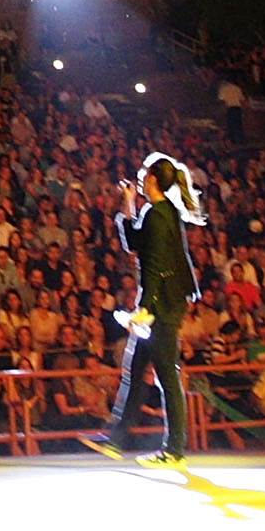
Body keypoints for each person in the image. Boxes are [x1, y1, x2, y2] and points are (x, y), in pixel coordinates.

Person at [90, 151, 202, 465]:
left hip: (161, 307)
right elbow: (136, 243)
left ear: (152, 178)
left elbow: (153, 264)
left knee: (166, 375)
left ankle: (174, 449)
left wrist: (145, 307)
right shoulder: (162, 212)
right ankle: (116, 439)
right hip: (164, 303)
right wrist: (128, 204)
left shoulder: (157, 214)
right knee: (137, 370)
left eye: (143, 174)